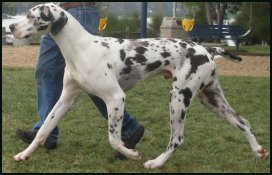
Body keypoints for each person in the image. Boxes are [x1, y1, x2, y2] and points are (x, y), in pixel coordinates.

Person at [15, 2, 144, 159]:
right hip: (58, 11)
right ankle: (45, 132)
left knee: (93, 79)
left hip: (77, 11)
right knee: (48, 70)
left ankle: (128, 129)